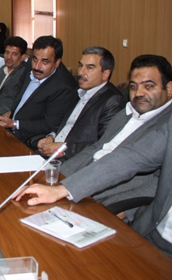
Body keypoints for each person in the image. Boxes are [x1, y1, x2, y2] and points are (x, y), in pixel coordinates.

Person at [14, 55, 172, 258]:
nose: (139, 93)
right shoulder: (126, 113)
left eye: (149, 86)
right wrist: (56, 177)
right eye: (134, 86)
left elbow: (154, 180)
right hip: (86, 180)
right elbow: (99, 149)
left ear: (169, 89)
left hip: (112, 195)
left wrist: (126, 210)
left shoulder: (163, 122)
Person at [34, 46, 126, 160]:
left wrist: (64, 148)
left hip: (73, 161)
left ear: (105, 74)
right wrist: (51, 136)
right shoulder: (79, 90)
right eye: (80, 65)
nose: (81, 72)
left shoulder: (113, 101)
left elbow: (104, 144)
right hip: (50, 153)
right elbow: (65, 122)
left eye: (90, 67)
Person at [0, 35, 77, 145]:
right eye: (35, 59)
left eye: (45, 62)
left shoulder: (63, 87)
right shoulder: (31, 63)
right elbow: (20, 86)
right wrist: (13, 110)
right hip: (8, 128)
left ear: (57, 62)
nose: (37, 66)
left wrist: (15, 124)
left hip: (28, 140)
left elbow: (49, 125)